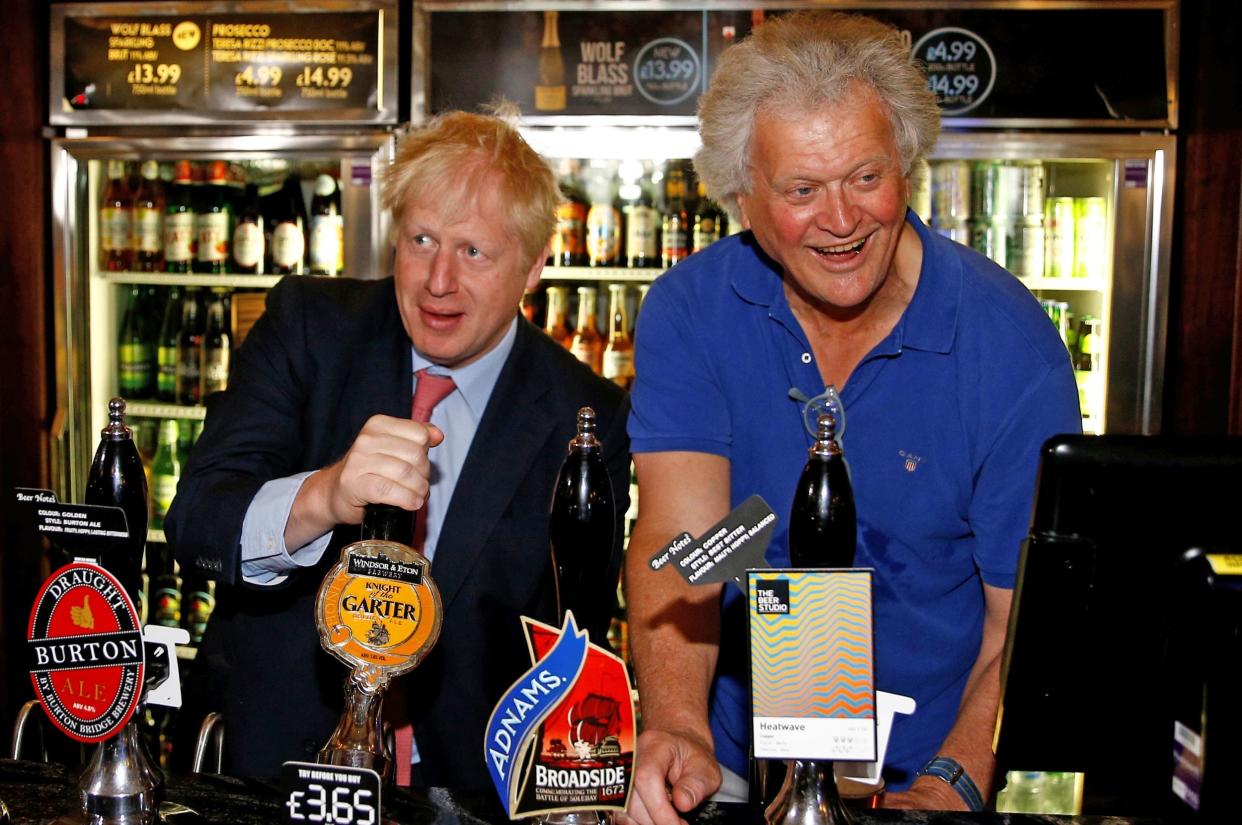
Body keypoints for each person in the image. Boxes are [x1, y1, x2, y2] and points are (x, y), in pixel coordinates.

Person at [622, 11, 1081, 822]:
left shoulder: (1010, 346)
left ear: (906, 165)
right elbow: (681, 549)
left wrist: (951, 784)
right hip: (733, 767)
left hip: (923, 777)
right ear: (743, 197)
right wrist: (679, 728)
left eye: (866, 177)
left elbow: (1023, 625)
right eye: (801, 190)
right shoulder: (693, 310)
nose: (840, 221)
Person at [165, 108, 630, 790]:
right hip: (268, 773)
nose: (438, 280)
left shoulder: (583, 415)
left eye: (473, 251)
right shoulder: (308, 326)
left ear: (535, 263)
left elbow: (576, 630)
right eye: (421, 240)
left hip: (469, 790)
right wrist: (323, 495)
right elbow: (197, 522)